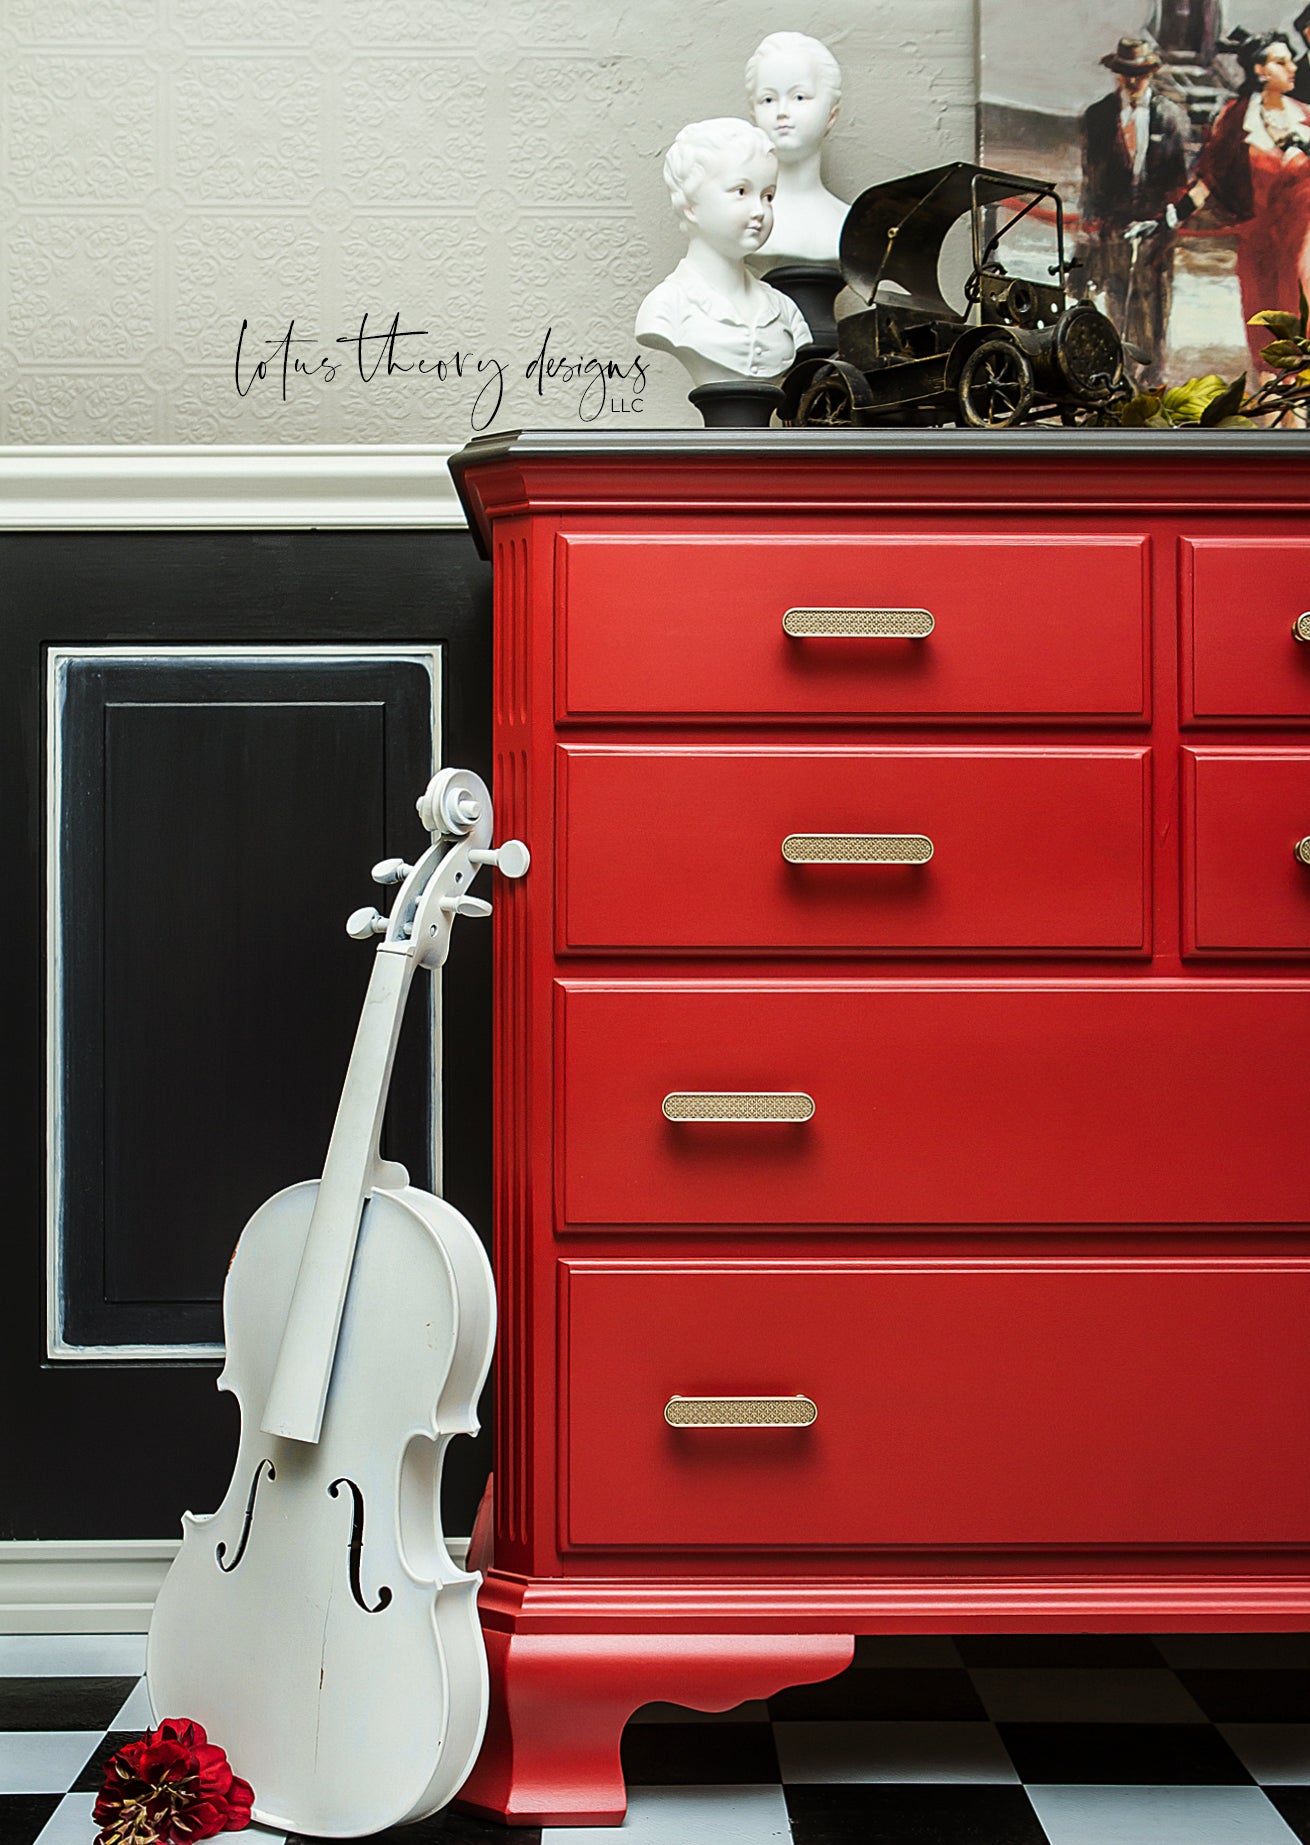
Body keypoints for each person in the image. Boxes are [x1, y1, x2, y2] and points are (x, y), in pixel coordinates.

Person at [1153, 33, 1310, 369]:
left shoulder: (1306, 118)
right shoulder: (1236, 119)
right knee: (1268, 336)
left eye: (1291, 60)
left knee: (1303, 330)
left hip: (1304, 246)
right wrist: (1170, 217)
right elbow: (1208, 178)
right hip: (1258, 244)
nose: (1292, 68)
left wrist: (1303, 144)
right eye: (1281, 62)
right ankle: (1277, 416)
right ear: (1260, 69)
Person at [635, 118, 811, 390]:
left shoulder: (786, 312)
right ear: (691, 203)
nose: (759, 211)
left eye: (768, 196)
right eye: (741, 191)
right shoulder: (667, 308)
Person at [1079, 35, 1190, 386]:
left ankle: (1154, 375)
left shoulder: (1170, 117)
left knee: (1155, 300)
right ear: (1116, 73)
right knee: (1116, 296)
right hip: (1113, 225)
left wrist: (1163, 221)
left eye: (1139, 72)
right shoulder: (1098, 117)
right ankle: (1119, 373)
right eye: (1125, 72)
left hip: (1156, 228)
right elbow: (1091, 175)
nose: (1132, 79)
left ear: (1151, 73)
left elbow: (1178, 179)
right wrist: (1091, 226)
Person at [744, 31, 848, 270]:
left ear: (831, 115)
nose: (782, 111)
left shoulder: (848, 225)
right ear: (753, 113)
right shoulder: (743, 222)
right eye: (768, 100)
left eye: (799, 97)